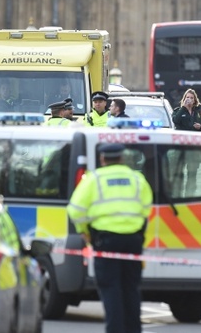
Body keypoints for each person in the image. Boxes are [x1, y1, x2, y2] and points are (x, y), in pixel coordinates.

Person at [67, 143, 153, 333]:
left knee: (110, 289)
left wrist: (84, 231)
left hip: (105, 242)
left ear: (102, 159)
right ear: (122, 158)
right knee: (131, 288)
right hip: (133, 241)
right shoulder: (137, 179)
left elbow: (75, 210)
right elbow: (147, 208)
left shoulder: (94, 179)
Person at [172, 89, 201, 196]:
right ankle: (177, 193)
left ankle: (190, 193)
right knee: (179, 172)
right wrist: (184, 108)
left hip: (194, 147)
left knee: (192, 173)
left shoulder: (199, 113)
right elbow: (176, 121)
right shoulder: (178, 110)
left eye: (192, 98)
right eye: (187, 97)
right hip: (181, 146)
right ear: (184, 98)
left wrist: (200, 126)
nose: (189, 99)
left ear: (195, 100)